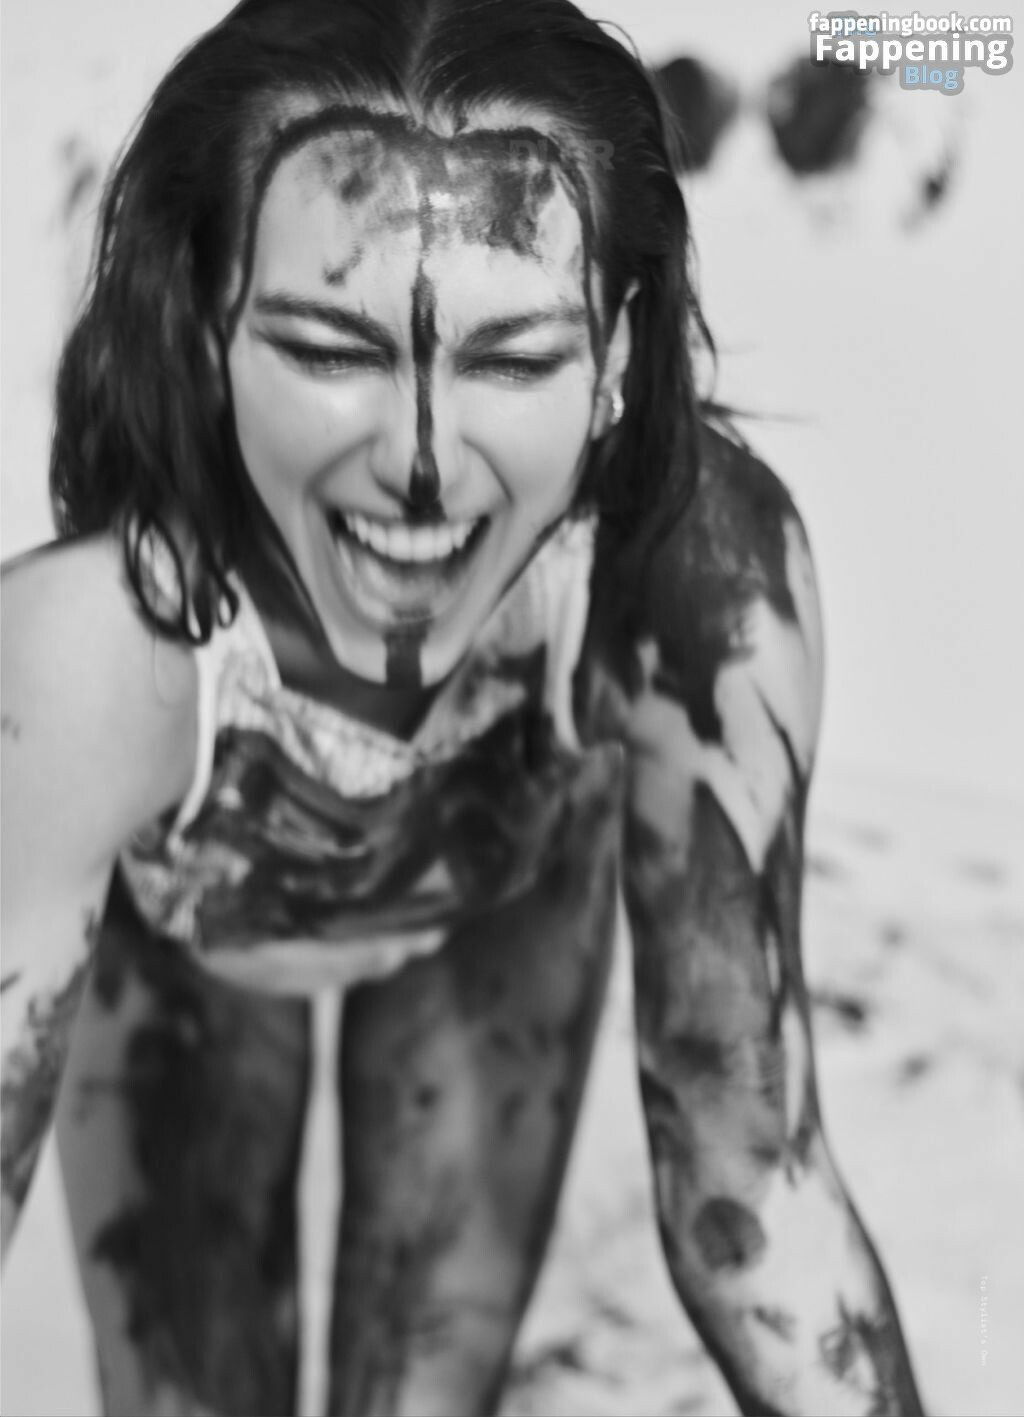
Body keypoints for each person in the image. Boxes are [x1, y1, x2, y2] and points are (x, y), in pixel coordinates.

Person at [0, 1, 926, 1413]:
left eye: (513, 359)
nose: (422, 468)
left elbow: (757, 1191)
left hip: (501, 889)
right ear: (204, 324)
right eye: (329, 349)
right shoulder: (94, 655)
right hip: (191, 939)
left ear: (618, 360)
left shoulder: (694, 586)